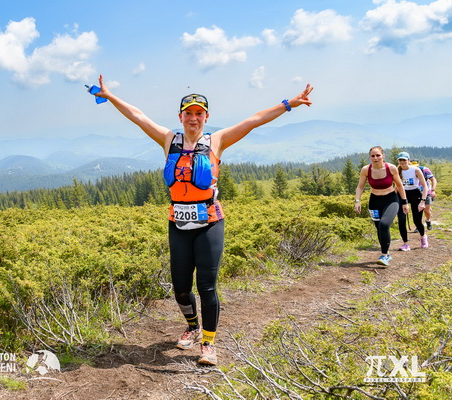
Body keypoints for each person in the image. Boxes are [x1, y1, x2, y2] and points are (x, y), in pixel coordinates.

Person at [92, 74, 313, 365]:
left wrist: (289, 104)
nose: (193, 118)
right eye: (188, 113)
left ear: (206, 117)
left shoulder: (216, 142)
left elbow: (254, 120)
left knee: (207, 286)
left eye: (199, 113)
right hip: (178, 224)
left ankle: (208, 344)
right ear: (180, 117)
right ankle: (192, 327)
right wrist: (110, 96)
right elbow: (138, 117)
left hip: (209, 223)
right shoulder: (169, 140)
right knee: (181, 288)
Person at [355, 146, 408, 266]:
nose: (375, 158)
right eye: (373, 156)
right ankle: (386, 252)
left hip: (391, 200)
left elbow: (399, 185)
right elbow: (360, 186)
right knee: (379, 227)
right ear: (369, 157)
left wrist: (404, 202)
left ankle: (384, 255)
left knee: (384, 224)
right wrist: (357, 201)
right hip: (374, 201)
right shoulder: (366, 170)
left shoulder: (391, 168)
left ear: (383, 156)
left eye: (378, 155)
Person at [396, 152, 429, 250]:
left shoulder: (415, 170)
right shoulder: (397, 171)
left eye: (404, 160)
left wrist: (423, 201)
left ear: (408, 160)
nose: (402, 162)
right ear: (398, 161)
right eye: (400, 160)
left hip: (415, 194)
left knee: (417, 221)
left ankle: (423, 236)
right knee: (401, 220)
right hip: (402, 194)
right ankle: (405, 244)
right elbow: (396, 186)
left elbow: (425, 186)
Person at [411, 158, 437, 230]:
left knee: (426, 210)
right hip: (415, 193)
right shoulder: (408, 171)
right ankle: (418, 225)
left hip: (426, 192)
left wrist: (433, 190)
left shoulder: (425, 170)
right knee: (417, 210)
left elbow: (433, 179)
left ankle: (428, 221)